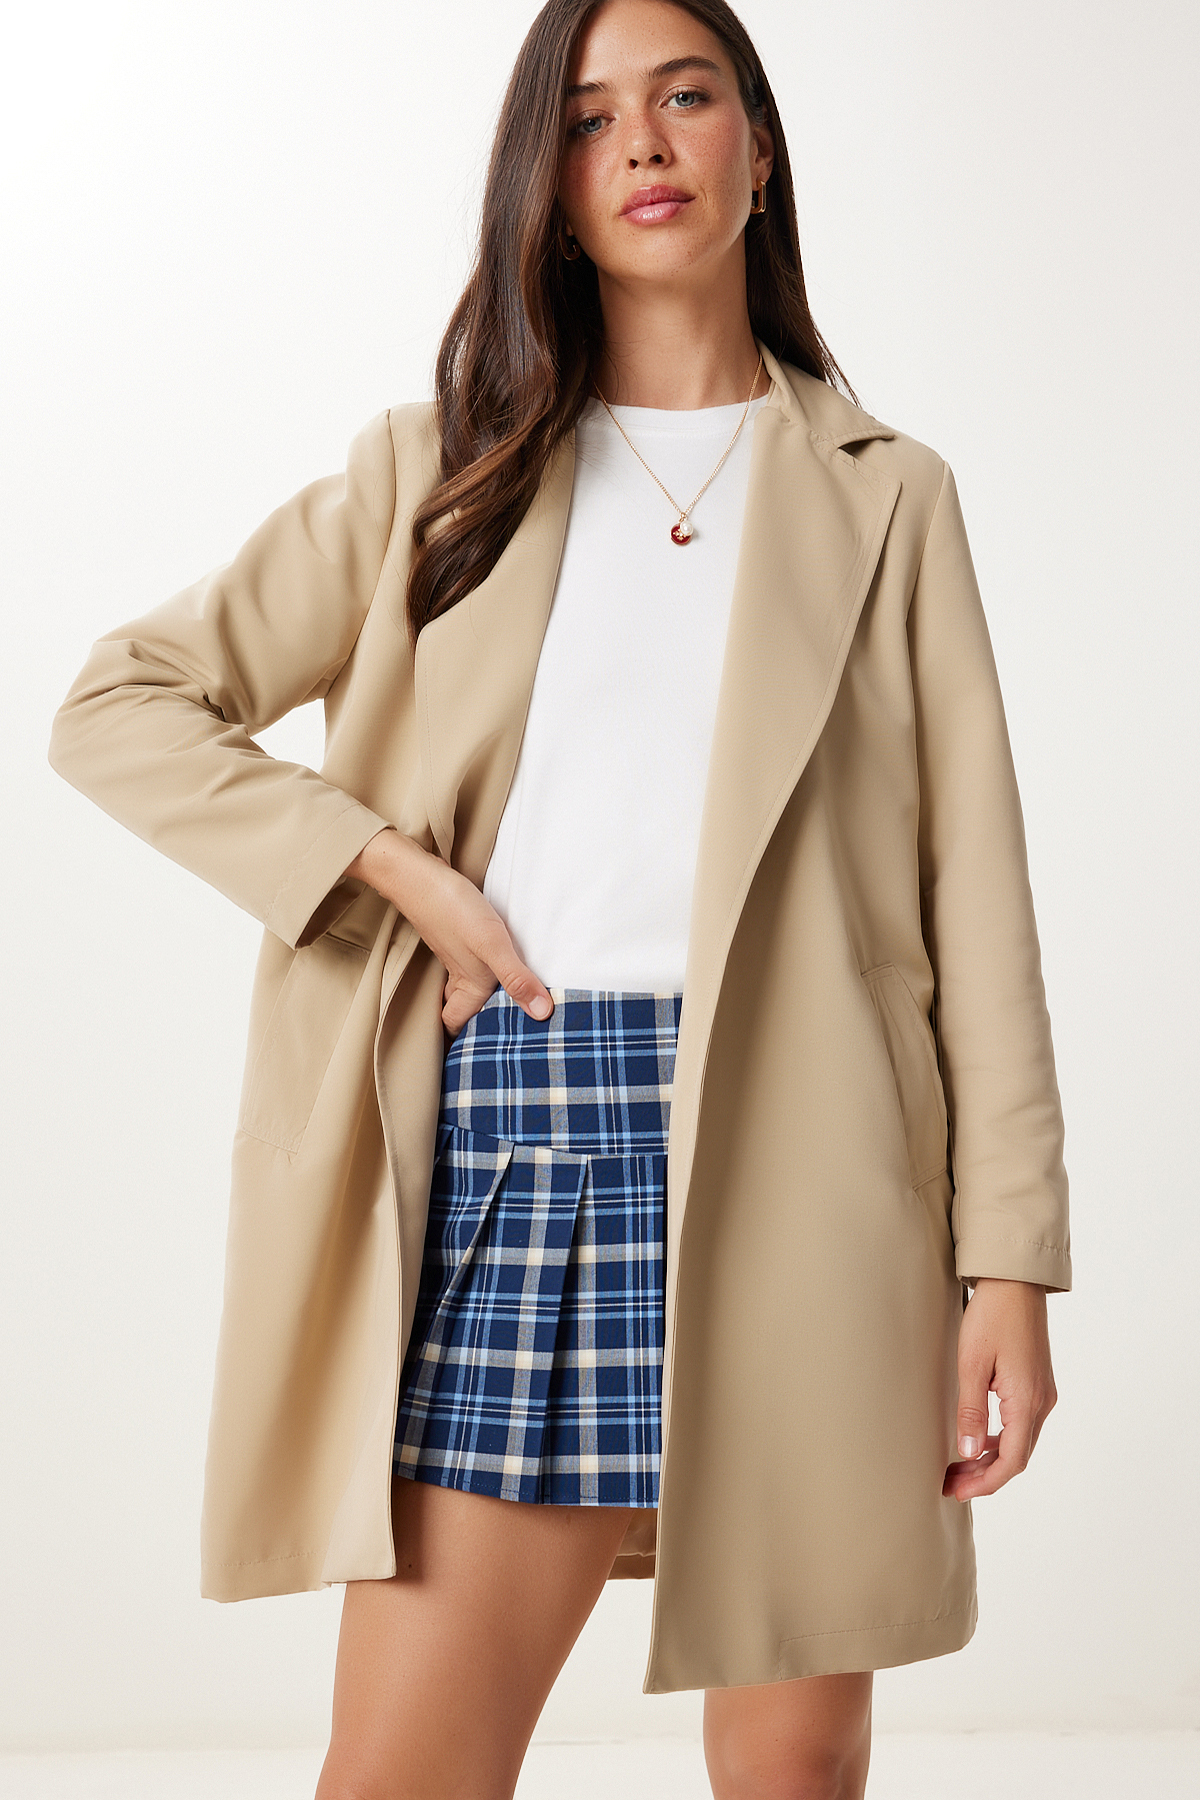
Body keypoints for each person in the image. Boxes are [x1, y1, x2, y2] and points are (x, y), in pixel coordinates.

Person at [48, 1, 1072, 1796]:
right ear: (551, 178)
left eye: (686, 98)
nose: (645, 144)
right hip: (530, 1141)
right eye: (590, 119)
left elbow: (973, 896)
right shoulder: (437, 471)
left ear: (759, 148)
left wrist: (1011, 1265)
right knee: (405, 1774)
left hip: (825, 1157)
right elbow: (121, 704)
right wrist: (390, 874)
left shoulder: (889, 497)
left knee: (794, 1773)